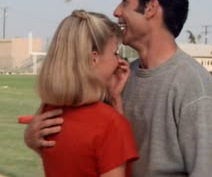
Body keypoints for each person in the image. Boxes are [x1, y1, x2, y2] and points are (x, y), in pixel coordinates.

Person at [24, 0, 212, 177]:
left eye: (125, 1)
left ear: (150, 8)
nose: (117, 11)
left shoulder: (195, 89)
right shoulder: (118, 76)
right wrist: (33, 139)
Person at [30, 9, 138, 177]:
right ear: (94, 58)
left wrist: (115, 99)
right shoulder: (111, 125)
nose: (119, 61)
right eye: (115, 53)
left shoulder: (48, 113)